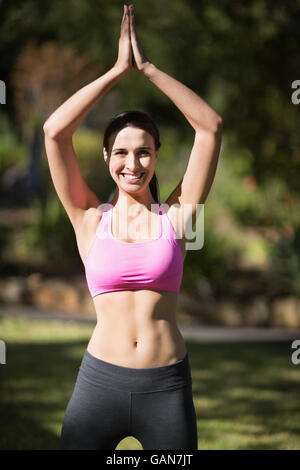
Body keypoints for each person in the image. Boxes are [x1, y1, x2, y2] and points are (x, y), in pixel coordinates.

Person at [43, 4, 222, 450]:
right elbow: (54, 132)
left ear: (157, 156)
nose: (132, 163)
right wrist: (116, 72)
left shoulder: (176, 217)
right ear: (107, 159)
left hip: (166, 388)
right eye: (121, 152)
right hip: (98, 383)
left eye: (143, 151)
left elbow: (210, 128)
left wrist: (147, 68)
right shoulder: (88, 217)